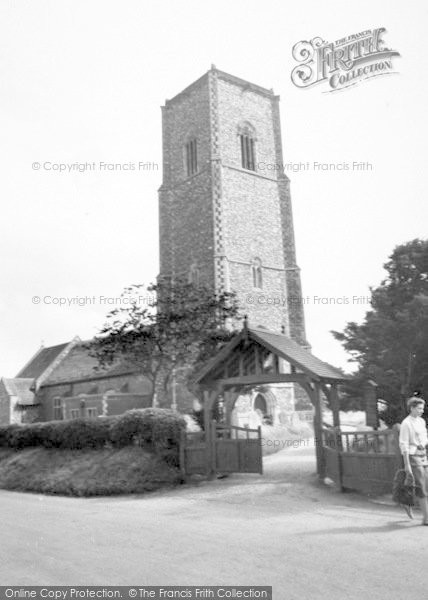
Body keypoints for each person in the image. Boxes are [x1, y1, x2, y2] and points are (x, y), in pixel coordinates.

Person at [399, 396, 428, 525]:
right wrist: (407, 464)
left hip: (423, 454)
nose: (422, 411)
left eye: (422, 408)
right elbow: (403, 444)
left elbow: (425, 437)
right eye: (419, 408)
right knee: (421, 486)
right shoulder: (406, 423)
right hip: (413, 456)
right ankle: (426, 518)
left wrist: (423, 443)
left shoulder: (421, 421)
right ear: (411, 408)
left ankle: (406, 502)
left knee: (423, 485)